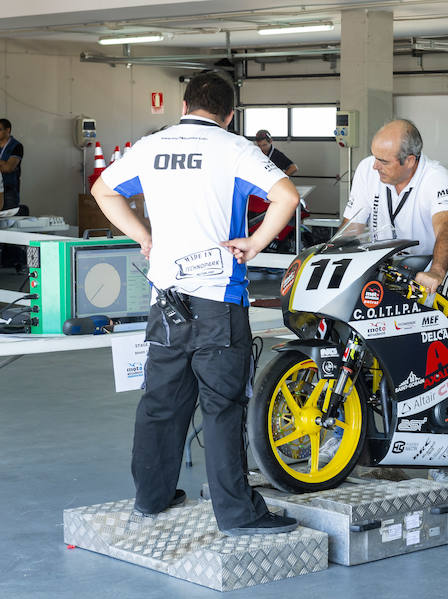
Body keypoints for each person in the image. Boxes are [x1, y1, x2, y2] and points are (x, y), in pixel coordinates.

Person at [92, 73, 301, 536]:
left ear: (184, 104)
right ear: (229, 114)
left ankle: (152, 496)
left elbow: (103, 191)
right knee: (222, 407)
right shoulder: (235, 149)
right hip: (217, 302)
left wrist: (143, 236)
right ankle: (237, 513)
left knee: (161, 403)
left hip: (165, 300)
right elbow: (287, 196)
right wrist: (255, 244)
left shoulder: (150, 147)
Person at [342, 119, 448, 486]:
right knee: (359, 355)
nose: (374, 166)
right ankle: (357, 449)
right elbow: (353, 226)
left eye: (384, 161)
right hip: (382, 270)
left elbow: (445, 227)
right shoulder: (368, 169)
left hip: (423, 273)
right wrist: (331, 255)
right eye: (374, 158)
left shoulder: (435, 177)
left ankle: (443, 455)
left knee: (431, 364)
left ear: (410, 161)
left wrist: (437, 272)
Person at [0, 118, 23, 210]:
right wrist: (3, 163)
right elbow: (4, 166)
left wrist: (5, 165)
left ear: (8, 130)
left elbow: (8, 168)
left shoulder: (17, 146)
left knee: (8, 222)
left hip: (9, 192)